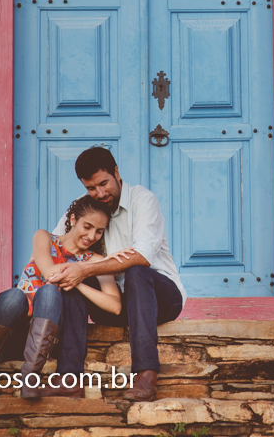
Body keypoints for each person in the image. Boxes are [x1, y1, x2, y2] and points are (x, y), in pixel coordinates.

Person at [38, 146, 185, 401]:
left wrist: (84, 268)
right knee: (72, 281)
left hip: (161, 297)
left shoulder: (143, 199)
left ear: (116, 172)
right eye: (91, 188)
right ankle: (68, 379)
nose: (100, 193)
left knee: (136, 271)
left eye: (104, 183)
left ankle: (146, 376)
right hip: (115, 304)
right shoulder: (86, 209)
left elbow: (143, 255)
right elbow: (57, 246)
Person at [0, 196, 121, 400]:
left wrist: (79, 281)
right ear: (73, 219)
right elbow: (48, 272)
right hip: (16, 333)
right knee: (13, 296)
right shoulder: (44, 237)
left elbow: (115, 306)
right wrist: (76, 271)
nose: (92, 236)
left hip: (47, 339)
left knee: (49, 292)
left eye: (99, 231)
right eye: (87, 226)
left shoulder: (96, 261)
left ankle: (30, 380)